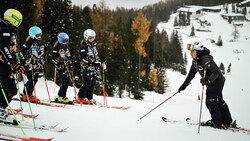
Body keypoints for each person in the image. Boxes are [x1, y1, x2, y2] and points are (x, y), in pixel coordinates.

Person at [178, 42, 235, 128]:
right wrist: (184, 85)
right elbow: (191, 74)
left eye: (192, 52)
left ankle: (218, 123)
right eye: (190, 52)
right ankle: (227, 121)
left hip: (216, 82)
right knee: (218, 101)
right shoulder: (196, 62)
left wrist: (208, 81)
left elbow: (216, 71)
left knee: (210, 102)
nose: (190, 53)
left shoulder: (205, 60)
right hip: (216, 82)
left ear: (198, 52)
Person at [0, 9, 25, 122]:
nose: (18, 24)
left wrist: (19, 62)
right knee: (4, 87)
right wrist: (13, 63)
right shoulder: (5, 29)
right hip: (2, 63)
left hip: (6, 64)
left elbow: (13, 49)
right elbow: (4, 48)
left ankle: (1, 107)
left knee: (12, 90)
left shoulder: (10, 30)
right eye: (18, 21)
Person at [20, 26, 47, 103]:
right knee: (31, 79)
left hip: (37, 64)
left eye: (40, 34)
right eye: (37, 35)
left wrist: (42, 61)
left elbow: (45, 53)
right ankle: (26, 94)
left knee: (35, 79)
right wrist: (26, 60)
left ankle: (29, 93)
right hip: (29, 64)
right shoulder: (29, 42)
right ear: (32, 35)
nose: (39, 37)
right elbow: (21, 52)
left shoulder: (42, 43)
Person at [76, 29, 101, 105]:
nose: (92, 39)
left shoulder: (93, 46)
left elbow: (96, 56)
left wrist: (99, 63)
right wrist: (91, 63)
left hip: (93, 68)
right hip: (86, 68)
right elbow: (82, 59)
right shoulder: (84, 47)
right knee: (87, 82)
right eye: (90, 38)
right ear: (86, 37)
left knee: (93, 83)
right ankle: (81, 97)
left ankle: (89, 97)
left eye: (93, 37)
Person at [52, 32, 73, 104]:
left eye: (67, 40)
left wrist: (69, 60)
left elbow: (68, 55)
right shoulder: (56, 47)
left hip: (65, 66)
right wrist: (58, 63)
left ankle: (62, 95)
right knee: (65, 81)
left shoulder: (65, 46)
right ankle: (61, 96)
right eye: (64, 41)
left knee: (66, 81)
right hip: (60, 67)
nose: (65, 42)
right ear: (60, 40)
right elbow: (53, 58)